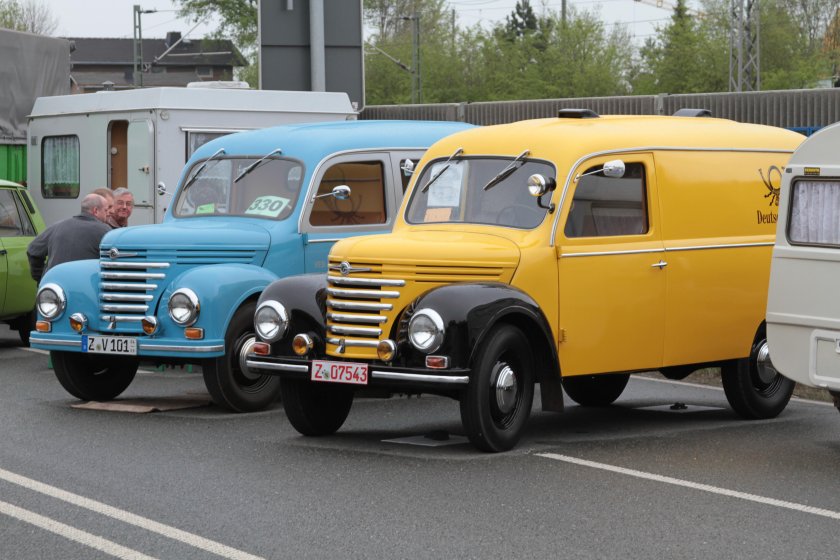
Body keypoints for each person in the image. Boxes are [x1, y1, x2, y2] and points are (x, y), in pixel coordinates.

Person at [27, 193, 111, 282]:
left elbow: (33, 249)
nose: (109, 213)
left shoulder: (57, 226)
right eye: (106, 210)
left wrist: (43, 277)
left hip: (55, 288)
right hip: (85, 287)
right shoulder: (105, 231)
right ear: (96, 211)